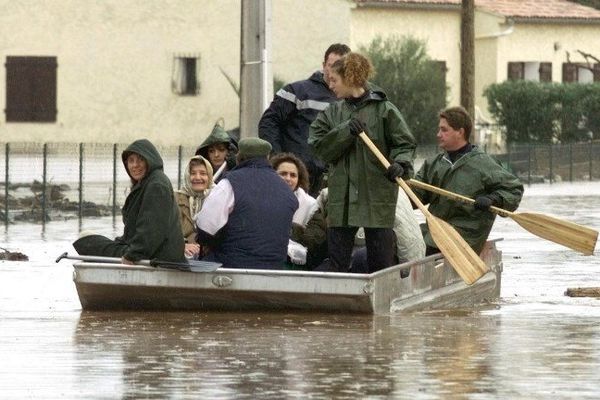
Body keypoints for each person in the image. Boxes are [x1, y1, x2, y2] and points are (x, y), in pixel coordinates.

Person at [308, 52, 417, 273]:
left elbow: (405, 144)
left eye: (334, 80)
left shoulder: (385, 110)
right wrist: (345, 131)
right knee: (337, 263)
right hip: (342, 200)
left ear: (349, 79)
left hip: (376, 197)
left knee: (381, 264)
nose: (330, 87)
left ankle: (382, 304)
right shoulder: (332, 113)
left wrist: (400, 164)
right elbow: (318, 147)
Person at [412, 106, 524, 255]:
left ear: (460, 132)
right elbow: (413, 197)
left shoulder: (484, 163)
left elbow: (514, 189)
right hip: (435, 231)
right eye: (439, 129)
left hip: (466, 236)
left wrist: (494, 199)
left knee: (421, 249)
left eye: (444, 130)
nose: (438, 134)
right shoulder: (432, 164)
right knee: (401, 240)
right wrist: (398, 181)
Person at [259, 43, 351, 196]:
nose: (334, 71)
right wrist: (279, 160)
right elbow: (268, 123)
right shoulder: (297, 92)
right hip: (296, 179)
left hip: (332, 181)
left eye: (341, 66)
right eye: (331, 65)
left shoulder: (352, 101)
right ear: (323, 65)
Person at [73, 139, 185, 263]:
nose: (135, 165)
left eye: (140, 160)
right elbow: (135, 232)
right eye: (131, 161)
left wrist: (132, 255)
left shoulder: (156, 185)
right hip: (149, 251)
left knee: (86, 243)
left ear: (150, 160)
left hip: (156, 256)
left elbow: (151, 229)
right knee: (87, 237)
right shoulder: (147, 183)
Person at [195, 137, 299, 269]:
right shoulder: (286, 190)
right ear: (267, 157)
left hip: (231, 268)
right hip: (274, 270)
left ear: (239, 157)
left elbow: (205, 227)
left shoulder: (229, 183)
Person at [270, 152, 328, 269]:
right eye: (283, 174)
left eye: (293, 175)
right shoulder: (261, 198)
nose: (288, 178)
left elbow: (312, 242)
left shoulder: (311, 204)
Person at [175, 155, 214, 259]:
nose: (197, 177)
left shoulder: (218, 197)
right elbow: (167, 231)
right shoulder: (176, 199)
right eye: (193, 173)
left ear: (209, 176)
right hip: (183, 257)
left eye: (203, 173)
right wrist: (181, 245)